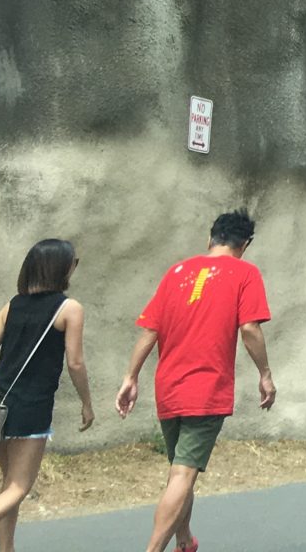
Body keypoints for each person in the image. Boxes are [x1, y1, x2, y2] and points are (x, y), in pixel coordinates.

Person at [116, 210, 275, 552]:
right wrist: (265, 374)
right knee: (183, 474)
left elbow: (150, 330)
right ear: (244, 245)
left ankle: (184, 540)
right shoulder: (245, 273)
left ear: (210, 238)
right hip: (206, 389)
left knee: (178, 470)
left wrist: (130, 377)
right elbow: (250, 328)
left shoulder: (176, 272)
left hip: (168, 388)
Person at [0, 239, 95, 552]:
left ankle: (7, 549)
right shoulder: (69, 308)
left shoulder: (12, 305)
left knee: (9, 482)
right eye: (73, 262)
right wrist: (87, 403)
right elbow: (75, 362)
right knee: (19, 486)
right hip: (30, 409)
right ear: (63, 268)